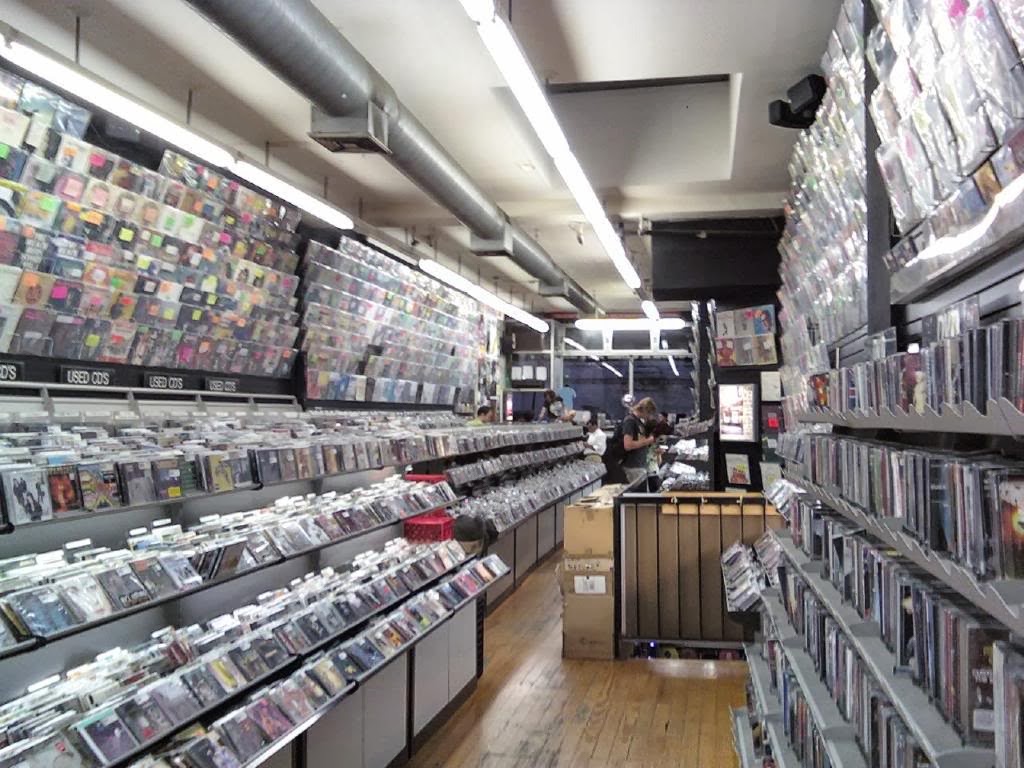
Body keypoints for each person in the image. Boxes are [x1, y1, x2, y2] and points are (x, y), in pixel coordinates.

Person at [620, 397, 659, 485]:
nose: (649, 417)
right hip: (633, 466)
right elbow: (628, 445)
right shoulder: (630, 421)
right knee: (639, 495)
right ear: (645, 410)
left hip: (640, 465)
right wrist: (648, 441)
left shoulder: (639, 422)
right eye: (649, 413)